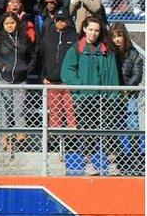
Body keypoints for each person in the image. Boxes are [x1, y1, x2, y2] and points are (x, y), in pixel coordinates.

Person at [60, 19, 120, 176]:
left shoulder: (107, 50)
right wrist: (81, 89)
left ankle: (113, 163)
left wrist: (114, 96)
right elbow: (67, 72)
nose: (94, 33)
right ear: (84, 29)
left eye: (97, 30)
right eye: (91, 29)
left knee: (110, 131)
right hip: (86, 100)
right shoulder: (76, 49)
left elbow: (113, 75)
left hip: (106, 99)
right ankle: (89, 164)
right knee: (88, 131)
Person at [31, 11, 79, 154]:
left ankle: (72, 141)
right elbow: (41, 58)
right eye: (57, 20)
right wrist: (43, 76)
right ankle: (54, 141)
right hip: (51, 81)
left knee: (71, 111)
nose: (60, 22)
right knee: (55, 112)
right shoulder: (48, 37)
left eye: (63, 20)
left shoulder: (74, 37)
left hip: (67, 83)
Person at [0, 12, 33, 152]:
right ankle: (4, 140)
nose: (10, 25)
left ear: (17, 23)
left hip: (20, 79)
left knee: (19, 110)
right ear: (3, 25)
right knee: (3, 110)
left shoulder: (24, 38)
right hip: (1, 79)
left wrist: (27, 68)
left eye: (12, 23)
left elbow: (32, 55)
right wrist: (1, 67)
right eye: (7, 23)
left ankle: (21, 141)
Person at [108, 23, 144, 174]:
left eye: (119, 36)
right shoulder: (109, 53)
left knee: (132, 126)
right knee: (112, 126)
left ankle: (135, 158)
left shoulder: (134, 54)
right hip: (112, 95)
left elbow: (137, 76)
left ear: (124, 36)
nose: (117, 40)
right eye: (114, 36)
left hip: (129, 95)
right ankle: (115, 160)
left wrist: (125, 89)